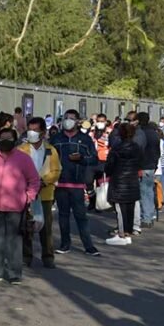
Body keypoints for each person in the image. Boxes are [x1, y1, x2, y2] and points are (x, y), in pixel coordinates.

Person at [0, 128, 41, 283]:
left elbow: (34, 180)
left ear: (15, 140)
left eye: (9, 138)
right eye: (2, 137)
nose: (5, 140)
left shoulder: (23, 159)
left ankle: (14, 274)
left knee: (14, 241)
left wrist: (29, 197)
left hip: (16, 207)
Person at [49, 109, 100, 256]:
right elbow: (48, 157)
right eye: (66, 118)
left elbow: (94, 159)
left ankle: (88, 246)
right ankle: (65, 244)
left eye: (71, 118)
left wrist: (82, 159)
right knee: (63, 216)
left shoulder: (85, 140)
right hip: (60, 183)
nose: (68, 121)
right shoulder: (57, 139)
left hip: (77, 183)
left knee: (81, 216)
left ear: (77, 121)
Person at [18, 117, 60, 268]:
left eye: (36, 130)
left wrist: (44, 181)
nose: (32, 133)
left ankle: (48, 256)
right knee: (26, 226)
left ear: (43, 132)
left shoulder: (51, 150)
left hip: (45, 194)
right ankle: (26, 256)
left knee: (46, 227)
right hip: (27, 193)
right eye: (30, 130)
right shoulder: (21, 150)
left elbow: (56, 170)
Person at [104, 122, 144, 246]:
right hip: (132, 179)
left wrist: (109, 171)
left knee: (120, 209)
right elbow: (140, 163)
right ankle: (128, 232)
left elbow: (109, 166)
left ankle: (121, 234)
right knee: (130, 208)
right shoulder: (137, 147)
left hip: (119, 180)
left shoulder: (116, 148)